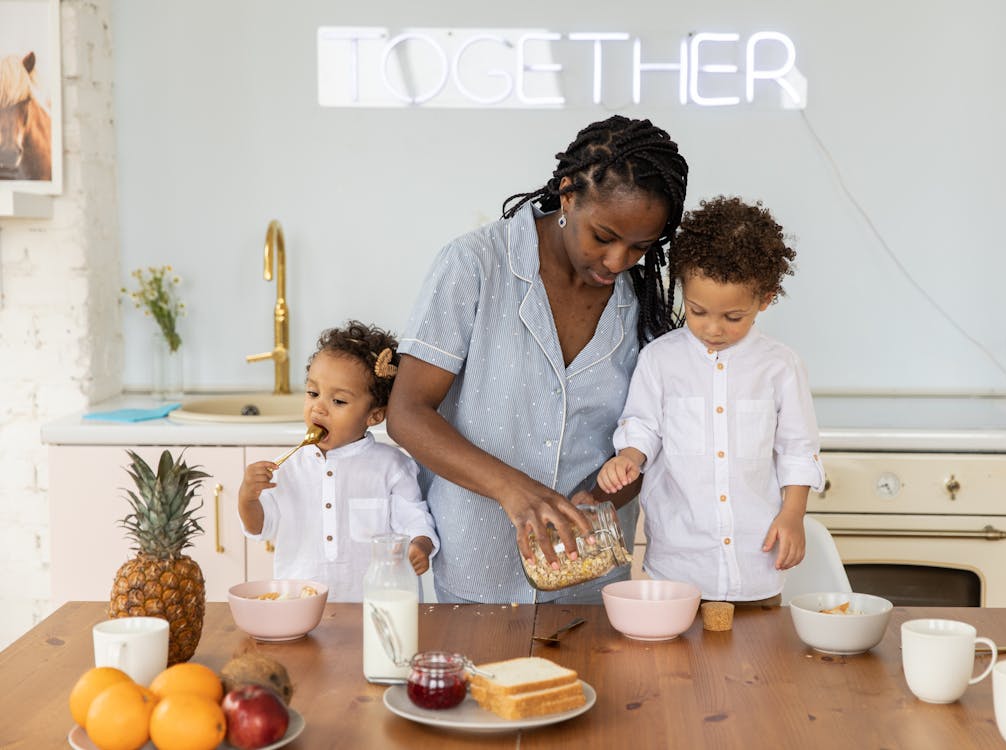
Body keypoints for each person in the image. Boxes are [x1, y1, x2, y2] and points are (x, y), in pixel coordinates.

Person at [387, 115, 690, 604]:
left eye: (639, 247)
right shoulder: (475, 264)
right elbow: (407, 414)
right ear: (568, 193)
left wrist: (602, 498)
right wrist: (515, 491)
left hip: (589, 576)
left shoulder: (644, 300)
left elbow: (652, 432)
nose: (617, 262)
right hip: (476, 566)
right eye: (604, 236)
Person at [597, 196, 824, 604]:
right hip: (678, 567)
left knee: (757, 665)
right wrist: (628, 458)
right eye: (698, 311)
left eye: (733, 317)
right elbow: (643, 425)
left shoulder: (781, 367)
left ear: (765, 299)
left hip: (758, 566)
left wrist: (793, 516)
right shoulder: (660, 360)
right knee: (679, 666)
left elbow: (797, 451)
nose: (713, 329)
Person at [238, 321, 438, 602]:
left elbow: (415, 520)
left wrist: (420, 546)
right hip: (300, 607)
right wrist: (248, 497)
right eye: (313, 393)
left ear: (375, 416)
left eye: (339, 401)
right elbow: (261, 527)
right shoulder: (286, 468)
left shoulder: (392, 466)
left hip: (377, 607)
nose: (318, 407)